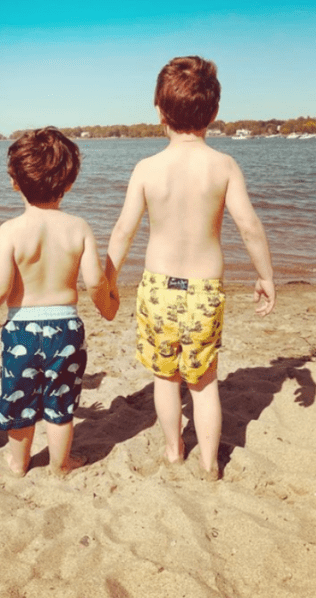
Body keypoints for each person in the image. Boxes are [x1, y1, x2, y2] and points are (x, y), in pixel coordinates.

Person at [106, 56, 275, 480]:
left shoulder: (146, 169)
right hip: (203, 292)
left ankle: (172, 450)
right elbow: (250, 227)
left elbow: (124, 230)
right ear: (214, 113)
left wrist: (108, 278)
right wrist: (265, 275)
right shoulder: (223, 166)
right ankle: (209, 464)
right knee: (204, 383)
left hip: (158, 289)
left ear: (159, 111)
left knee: (166, 378)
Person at [0, 127, 118, 477]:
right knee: (61, 402)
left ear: (15, 181)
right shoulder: (79, 227)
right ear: (70, 182)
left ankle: (18, 463)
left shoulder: (10, 230)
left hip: (21, 330)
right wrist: (108, 307)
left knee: (19, 398)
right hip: (66, 329)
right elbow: (94, 281)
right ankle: (61, 465)